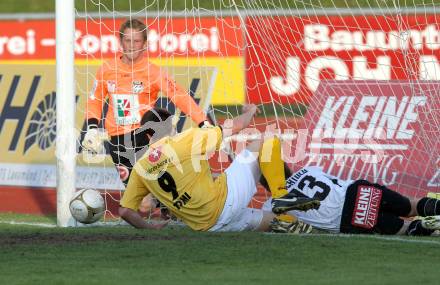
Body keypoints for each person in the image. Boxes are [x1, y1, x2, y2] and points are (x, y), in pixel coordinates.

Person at [118, 104, 320, 231]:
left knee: (284, 222)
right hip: (225, 201)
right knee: (265, 140)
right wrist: (250, 112)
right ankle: (281, 195)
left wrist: (151, 228)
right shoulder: (183, 140)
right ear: (171, 126)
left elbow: (125, 211)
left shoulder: (140, 168)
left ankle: (285, 219)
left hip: (209, 227)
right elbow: (236, 125)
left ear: (146, 135)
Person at [82, 18, 210, 186]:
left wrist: (203, 121)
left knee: (163, 189)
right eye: (128, 40)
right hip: (118, 141)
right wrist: (91, 128)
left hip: (146, 136)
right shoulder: (106, 69)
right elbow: (95, 100)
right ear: (121, 42)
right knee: (141, 202)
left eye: (137, 41)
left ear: (144, 44)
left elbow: (178, 95)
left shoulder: (153, 72)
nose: (132, 45)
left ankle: (170, 207)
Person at [261, 165, 440, 236]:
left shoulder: (271, 205)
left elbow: (270, 225)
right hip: (357, 190)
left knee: (406, 229)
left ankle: (424, 226)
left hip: (347, 217)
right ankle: (434, 210)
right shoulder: (309, 170)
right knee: (412, 206)